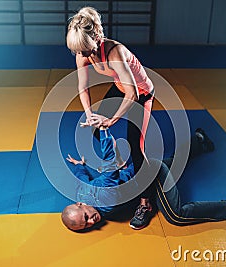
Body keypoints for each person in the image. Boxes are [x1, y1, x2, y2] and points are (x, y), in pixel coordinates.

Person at [61, 127, 226, 231]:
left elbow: (111, 159)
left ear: (80, 204)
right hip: (138, 174)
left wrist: (103, 130)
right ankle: (198, 140)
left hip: (150, 174)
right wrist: (80, 166)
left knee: (175, 215)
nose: (92, 222)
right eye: (86, 225)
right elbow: (83, 179)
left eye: (86, 217)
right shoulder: (82, 193)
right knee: (175, 163)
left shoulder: (105, 198)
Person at [66, 6, 155, 229]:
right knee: (96, 127)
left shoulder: (116, 52)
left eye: (86, 51)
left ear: (97, 37)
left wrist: (111, 120)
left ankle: (145, 203)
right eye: (79, 52)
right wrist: (90, 116)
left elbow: (132, 93)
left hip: (140, 93)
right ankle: (120, 166)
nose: (83, 56)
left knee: (136, 147)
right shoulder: (82, 52)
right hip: (121, 88)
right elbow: (82, 87)